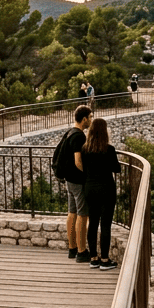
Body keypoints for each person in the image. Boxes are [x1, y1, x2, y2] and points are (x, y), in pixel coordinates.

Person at [81, 117, 121, 270]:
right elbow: (116, 168)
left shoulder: (85, 149)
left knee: (92, 223)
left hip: (90, 189)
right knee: (105, 224)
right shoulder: (109, 149)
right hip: (106, 189)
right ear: (105, 132)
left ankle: (93, 258)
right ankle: (104, 260)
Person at [61, 105, 93, 262]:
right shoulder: (79, 136)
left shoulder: (69, 133)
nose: (91, 120)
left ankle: (72, 248)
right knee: (83, 214)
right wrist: (87, 175)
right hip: (78, 181)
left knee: (72, 212)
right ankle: (81, 251)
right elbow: (78, 160)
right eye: (90, 117)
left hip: (69, 179)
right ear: (84, 119)